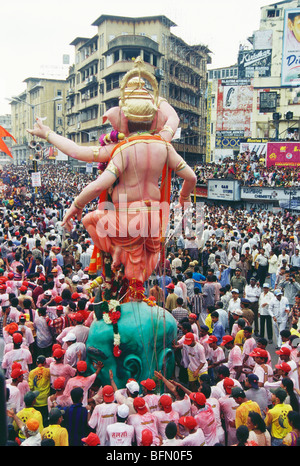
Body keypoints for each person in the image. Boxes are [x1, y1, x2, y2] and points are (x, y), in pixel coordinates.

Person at [28, 355, 51, 427]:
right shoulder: (48, 371)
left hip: (36, 401)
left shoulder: (31, 372)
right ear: (44, 362)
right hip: (45, 400)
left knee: (37, 421)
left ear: (36, 363)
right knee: (45, 420)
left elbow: (31, 387)